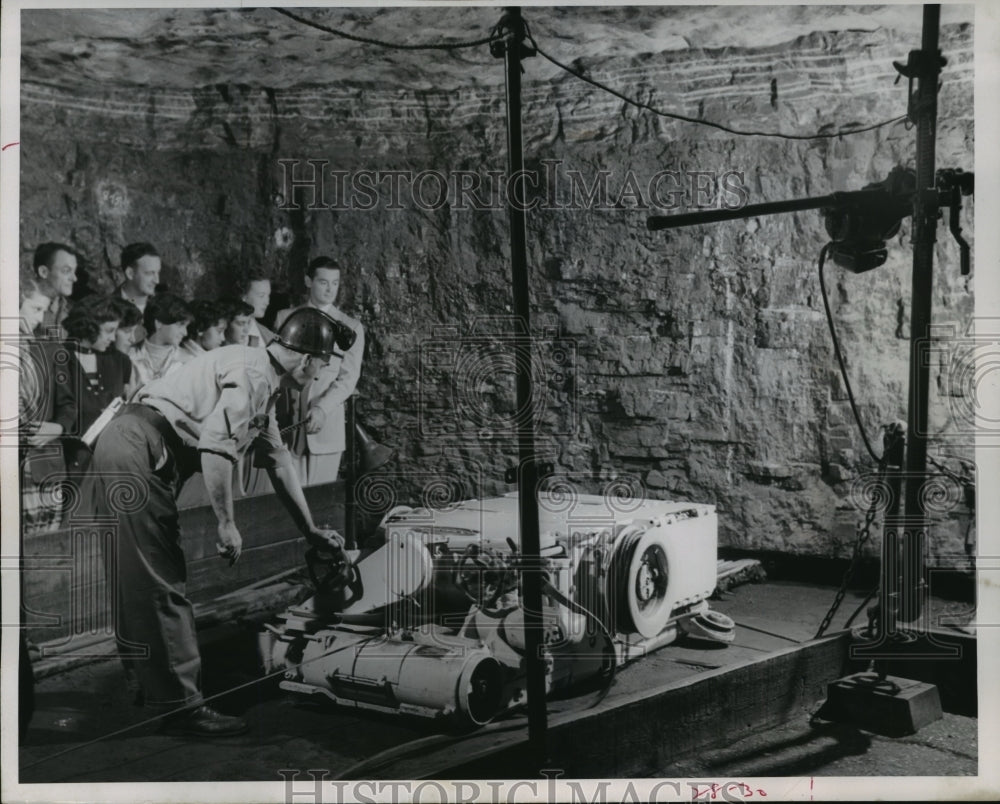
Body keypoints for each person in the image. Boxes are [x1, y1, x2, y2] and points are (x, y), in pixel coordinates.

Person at [82, 308, 347, 736]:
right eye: (322, 364)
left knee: (133, 578)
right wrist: (227, 523)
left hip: (124, 443)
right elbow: (216, 445)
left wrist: (310, 530)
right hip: (137, 446)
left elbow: (278, 460)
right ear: (306, 358)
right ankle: (183, 708)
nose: (320, 374)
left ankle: (148, 686)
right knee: (161, 577)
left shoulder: (261, 377)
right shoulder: (255, 375)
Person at [274, 257, 364, 487]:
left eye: (335, 283)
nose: (330, 289)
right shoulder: (285, 318)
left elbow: (348, 378)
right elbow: (273, 369)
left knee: (318, 507)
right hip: (285, 428)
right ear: (308, 281)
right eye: (323, 282)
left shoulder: (351, 327)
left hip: (323, 429)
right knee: (283, 505)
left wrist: (323, 409)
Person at [54, 295, 132, 478]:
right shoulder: (58, 358)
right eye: (109, 330)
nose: (113, 338)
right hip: (71, 466)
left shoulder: (120, 361)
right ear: (88, 326)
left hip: (113, 463)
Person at [18, 269, 67, 535]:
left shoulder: (41, 349)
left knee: (48, 538)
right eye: (35, 309)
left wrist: (55, 428)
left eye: (43, 311)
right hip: (16, 459)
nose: (38, 319)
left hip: (42, 459)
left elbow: (63, 403)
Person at [128, 293, 192, 389]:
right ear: (159, 323)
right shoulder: (130, 357)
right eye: (180, 324)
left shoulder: (188, 362)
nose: (185, 332)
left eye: (186, 326)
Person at [32, 242, 78, 337]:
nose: (74, 278)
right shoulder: (18, 306)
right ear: (44, 272)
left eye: (74, 271)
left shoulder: (71, 311)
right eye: (66, 271)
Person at [117, 242, 161, 316]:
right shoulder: (103, 310)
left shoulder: (167, 307)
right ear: (130, 273)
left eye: (158, 272)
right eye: (149, 273)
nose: (157, 281)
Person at [237, 270, 276, 347]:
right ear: (244, 296)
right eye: (261, 296)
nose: (267, 302)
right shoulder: (224, 332)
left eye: (268, 296)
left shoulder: (269, 336)